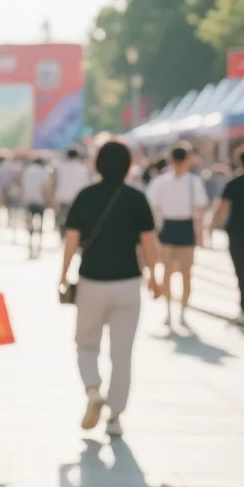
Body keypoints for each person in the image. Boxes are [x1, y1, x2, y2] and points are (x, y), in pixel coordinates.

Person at [59, 140, 160, 438]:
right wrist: (156, 277)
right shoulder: (136, 198)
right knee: (122, 353)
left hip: (91, 282)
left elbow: (72, 240)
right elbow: (149, 243)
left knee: (86, 344)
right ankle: (115, 417)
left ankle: (92, 390)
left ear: (97, 164)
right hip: (128, 283)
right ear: (129, 166)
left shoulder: (85, 196)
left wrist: (63, 274)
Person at [145, 143, 208, 327]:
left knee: (185, 273)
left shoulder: (190, 182)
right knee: (168, 272)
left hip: (182, 227)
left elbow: (197, 209)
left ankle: (181, 311)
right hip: (170, 227)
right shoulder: (164, 182)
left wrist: (199, 233)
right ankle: (170, 310)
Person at [212, 147, 244, 325]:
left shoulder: (233, 183)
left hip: (238, 234)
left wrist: (211, 228)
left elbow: (221, 209)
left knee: (242, 272)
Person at [54, 146, 91, 235]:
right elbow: (86, 184)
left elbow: (55, 182)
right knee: (75, 223)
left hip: (62, 197)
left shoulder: (60, 167)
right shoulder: (83, 168)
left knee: (62, 221)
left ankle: (62, 237)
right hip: (77, 199)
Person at [21, 156, 51, 258]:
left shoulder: (27, 170)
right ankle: (38, 246)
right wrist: (50, 200)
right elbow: (46, 186)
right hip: (40, 200)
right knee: (40, 224)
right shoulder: (43, 171)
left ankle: (30, 245)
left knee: (30, 224)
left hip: (28, 200)